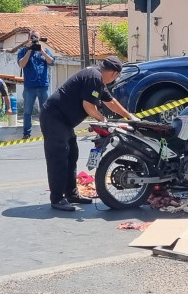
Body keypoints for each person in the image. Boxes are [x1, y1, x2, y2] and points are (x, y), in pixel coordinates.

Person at [40, 56, 138, 211]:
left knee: (72, 155)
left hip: (64, 121)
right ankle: (57, 199)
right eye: (117, 76)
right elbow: (88, 106)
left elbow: (110, 102)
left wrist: (129, 116)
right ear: (114, 73)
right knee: (59, 157)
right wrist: (103, 120)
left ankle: (72, 194)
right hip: (54, 117)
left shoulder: (97, 78)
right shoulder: (94, 77)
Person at [18, 29, 55, 139]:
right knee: (27, 111)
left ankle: (47, 131)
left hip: (43, 85)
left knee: (45, 110)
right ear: (29, 38)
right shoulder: (23, 51)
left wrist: (42, 51)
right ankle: (26, 133)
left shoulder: (44, 50)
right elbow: (21, 64)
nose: (34, 39)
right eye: (32, 37)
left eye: (36, 37)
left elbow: (52, 62)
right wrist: (29, 50)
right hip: (30, 87)